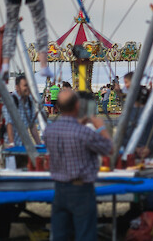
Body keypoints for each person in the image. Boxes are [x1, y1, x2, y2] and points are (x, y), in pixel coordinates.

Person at [45, 89, 112, 241]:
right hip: (81, 189)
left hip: (60, 188)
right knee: (85, 233)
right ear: (77, 106)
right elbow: (109, 148)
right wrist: (101, 127)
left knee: (60, 234)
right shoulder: (83, 132)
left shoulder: (49, 131)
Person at [3, 75, 42, 167]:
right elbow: (9, 123)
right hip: (11, 147)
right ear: (17, 87)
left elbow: (32, 126)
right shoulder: (11, 101)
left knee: (27, 170)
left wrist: (39, 144)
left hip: (25, 146)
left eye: (29, 85)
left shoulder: (30, 101)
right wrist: (12, 144)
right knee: (13, 174)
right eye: (25, 85)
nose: (28, 88)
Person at [123, 85, 153, 164]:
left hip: (133, 156)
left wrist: (136, 149)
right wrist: (149, 148)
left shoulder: (127, 114)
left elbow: (122, 136)